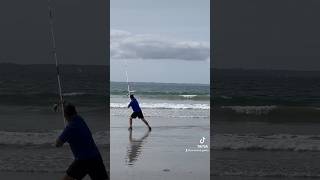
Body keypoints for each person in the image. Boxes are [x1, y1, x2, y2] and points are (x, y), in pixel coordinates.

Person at [55, 102, 109, 180]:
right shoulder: (80, 119)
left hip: (83, 160)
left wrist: (65, 133)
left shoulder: (70, 128)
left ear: (65, 116)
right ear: (75, 112)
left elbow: (57, 144)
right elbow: (69, 111)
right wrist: (62, 105)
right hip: (96, 157)